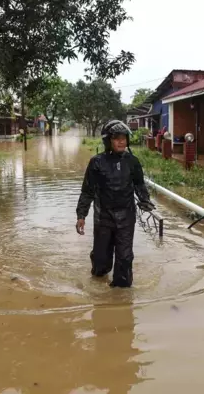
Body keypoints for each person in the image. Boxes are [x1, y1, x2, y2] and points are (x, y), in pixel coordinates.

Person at [75, 120, 155, 288]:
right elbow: (87, 191)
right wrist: (81, 215)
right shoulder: (96, 162)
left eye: (124, 138)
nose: (121, 142)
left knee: (124, 259)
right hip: (104, 217)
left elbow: (140, 185)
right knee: (101, 262)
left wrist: (145, 200)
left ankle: (121, 296)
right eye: (116, 138)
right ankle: (99, 276)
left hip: (126, 216)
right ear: (108, 141)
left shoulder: (133, 162)